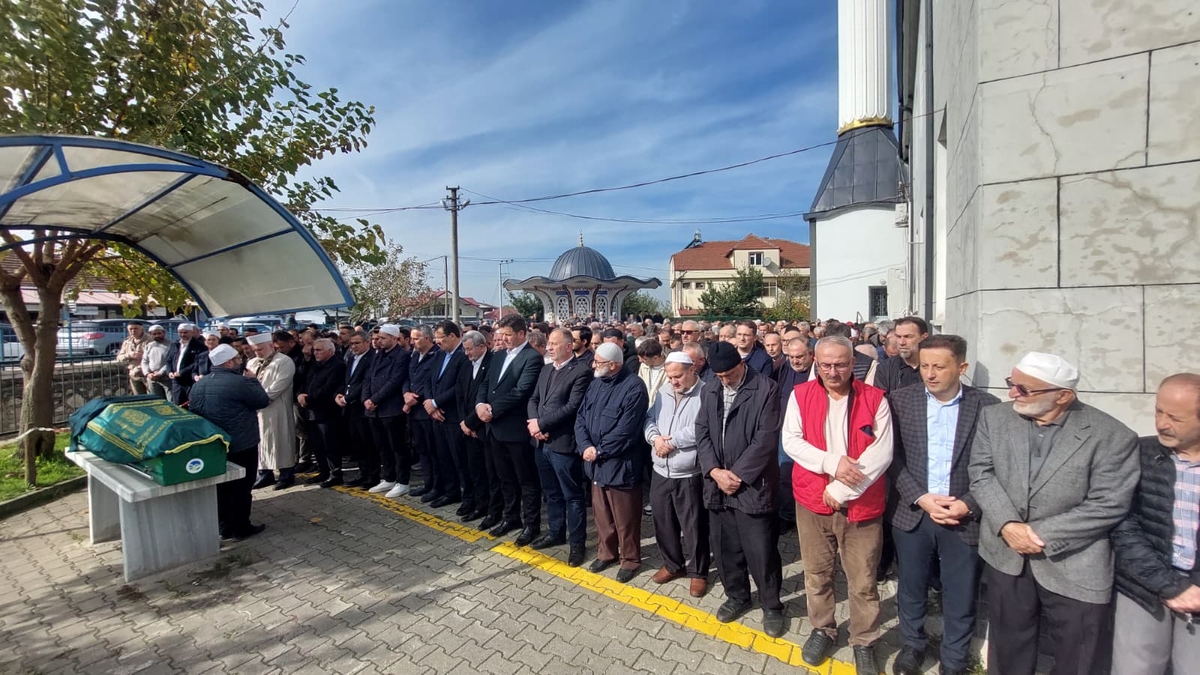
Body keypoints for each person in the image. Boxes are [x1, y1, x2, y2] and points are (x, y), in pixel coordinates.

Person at [968, 351, 1140, 675]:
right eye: (1011, 383)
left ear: (1063, 396)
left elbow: (1109, 503)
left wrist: (1039, 535)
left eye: (1024, 389)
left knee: (1077, 658)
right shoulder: (995, 418)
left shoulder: (1112, 436)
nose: (1012, 394)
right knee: (1008, 651)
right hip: (1006, 556)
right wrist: (1007, 524)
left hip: (1074, 563)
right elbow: (981, 473)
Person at [887, 335, 999, 675]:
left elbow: (997, 466)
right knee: (911, 585)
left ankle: (954, 659)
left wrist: (968, 505)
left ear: (962, 367)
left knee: (960, 593)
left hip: (962, 517)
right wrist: (919, 496)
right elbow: (891, 458)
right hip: (913, 512)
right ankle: (913, 645)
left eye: (939, 366)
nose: (930, 374)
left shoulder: (989, 408)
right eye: (924, 366)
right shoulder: (899, 401)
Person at [782, 336, 893, 672]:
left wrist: (843, 490)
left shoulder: (875, 399)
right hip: (812, 501)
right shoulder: (800, 395)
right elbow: (791, 441)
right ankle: (823, 627)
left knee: (862, 580)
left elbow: (881, 454)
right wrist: (832, 463)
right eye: (826, 364)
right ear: (816, 362)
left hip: (860, 505)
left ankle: (865, 638)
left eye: (841, 364)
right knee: (817, 573)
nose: (833, 371)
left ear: (852, 364)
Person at [1111, 373, 1200, 674]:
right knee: (1135, 668)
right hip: (1144, 588)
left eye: (1174, 417)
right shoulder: (1140, 452)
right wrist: (1169, 584)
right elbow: (1123, 524)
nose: (1162, 423)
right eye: (1158, 412)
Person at [697, 341, 786, 638]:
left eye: (729, 374)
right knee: (725, 548)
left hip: (752, 486)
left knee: (760, 551)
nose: (724, 380)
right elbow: (702, 432)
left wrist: (736, 475)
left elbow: (766, 439)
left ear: (741, 364)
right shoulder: (710, 387)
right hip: (718, 484)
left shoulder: (765, 388)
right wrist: (713, 471)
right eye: (719, 375)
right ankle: (737, 595)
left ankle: (771, 605)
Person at [576, 342, 649, 582]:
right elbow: (582, 417)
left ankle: (630, 559)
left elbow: (626, 431)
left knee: (625, 518)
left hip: (620, 465)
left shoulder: (634, 388)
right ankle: (606, 553)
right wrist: (586, 446)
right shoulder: (596, 383)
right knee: (602, 515)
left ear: (613, 365)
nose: (593, 365)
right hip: (595, 463)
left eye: (597, 362)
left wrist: (599, 450)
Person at [644, 351, 710, 597]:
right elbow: (649, 419)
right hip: (660, 469)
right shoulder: (663, 392)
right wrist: (654, 439)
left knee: (693, 525)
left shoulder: (706, 393)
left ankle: (698, 572)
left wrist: (671, 442)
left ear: (692, 369)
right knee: (663, 522)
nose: (674, 381)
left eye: (678, 376)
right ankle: (673, 564)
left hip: (688, 472)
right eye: (670, 377)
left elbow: (702, 428)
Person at [188, 344, 269, 540]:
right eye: (237, 359)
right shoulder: (240, 382)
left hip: (215, 444)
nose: (241, 361)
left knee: (221, 487)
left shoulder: (200, 384)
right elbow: (262, 401)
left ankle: (223, 527)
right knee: (242, 487)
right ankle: (241, 527)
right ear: (228, 362)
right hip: (242, 443)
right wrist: (254, 381)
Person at [474, 315, 544, 543]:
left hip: (515, 429)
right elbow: (486, 383)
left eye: (508, 334)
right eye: (501, 334)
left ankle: (531, 524)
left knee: (526, 479)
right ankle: (510, 516)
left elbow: (522, 391)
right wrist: (480, 405)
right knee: (504, 477)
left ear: (522, 333)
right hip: (495, 428)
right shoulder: (498, 355)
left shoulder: (531, 357)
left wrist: (492, 409)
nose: (503, 338)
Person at [527, 328, 592, 566]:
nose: (549, 347)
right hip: (541, 443)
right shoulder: (545, 369)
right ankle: (556, 533)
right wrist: (535, 425)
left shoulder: (582, 371)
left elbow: (573, 406)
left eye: (554, 344)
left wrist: (542, 424)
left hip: (563, 443)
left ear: (567, 346)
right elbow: (534, 399)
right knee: (551, 493)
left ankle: (577, 544)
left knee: (572, 496)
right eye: (548, 344)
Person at [425, 321, 470, 512]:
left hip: (452, 415)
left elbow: (459, 386)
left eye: (440, 338)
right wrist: (430, 403)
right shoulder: (439, 355)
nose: (437, 342)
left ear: (452, 336)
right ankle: (450, 491)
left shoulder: (464, 355)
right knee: (443, 456)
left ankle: (468, 496)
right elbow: (430, 380)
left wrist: (437, 403)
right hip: (437, 415)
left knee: (460, 460)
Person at [362, 324, 412, 498]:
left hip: (391, 408)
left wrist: (375, 399)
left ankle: (402, 481)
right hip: (374, 410)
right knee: (382, 446)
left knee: (397, 446)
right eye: (378, 338)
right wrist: (366, 399)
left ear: (394, 338)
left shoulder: (402, 356)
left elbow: (395, 381)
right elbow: (368, 377)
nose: (379, 341)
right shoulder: (378, 355)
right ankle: (388, 477)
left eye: (383, 338)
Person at [246, 332, 298, 491]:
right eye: (255, 350)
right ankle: (265, 474)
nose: (257, 353)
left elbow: (277, 387)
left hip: (277, 409)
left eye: (260, 349)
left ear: (271, 345)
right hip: (256, 410)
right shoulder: (252, 363)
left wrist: (258, 399)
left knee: (280, 441)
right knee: (261, 443)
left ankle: (286, 474)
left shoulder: (284, 361)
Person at [457, 330, 499, 525]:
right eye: (464, 349)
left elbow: (487, 397)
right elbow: (460, 394)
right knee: (474, 470)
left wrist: (472, 422)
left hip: (483, 428)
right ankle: (478, 503)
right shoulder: (466, 364)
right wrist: (464, 422)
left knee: (490, 472)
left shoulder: (493, 363)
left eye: (469, 349)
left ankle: (493, 509)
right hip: (467, 427)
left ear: (482, 346)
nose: (466, 353)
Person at [298, 338, 346, 487]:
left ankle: (335, 473)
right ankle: (323, 470)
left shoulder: (337, 365)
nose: (315, 353)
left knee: (330, 444)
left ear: (330, 351)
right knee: (316, 444)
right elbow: (304, 380)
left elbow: (328, 389)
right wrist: (300, 394)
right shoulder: (315, 365)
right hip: (311, 411)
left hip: (327, 412)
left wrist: (309, 398)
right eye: (314, 350)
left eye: (319, 350)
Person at [406, 326, 445, 504]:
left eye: (416, 338)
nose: (412, 342)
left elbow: (429, 380)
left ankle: (438, 486)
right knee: (422, 449)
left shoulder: (436, 355)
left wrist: (417, 397)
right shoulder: (414, 355)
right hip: (413, 409)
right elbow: (408, 377)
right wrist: (406, 393)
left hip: (427, 409)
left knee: (433, 450)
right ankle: (427, 483)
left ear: (427, 339)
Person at [336, 330, 376, 488]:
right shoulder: (352, 357)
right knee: (357, 444)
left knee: (368, 444)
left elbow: (363, 383)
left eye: (357, 343)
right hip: (350, 408)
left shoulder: (371, 358)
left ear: (367, 342)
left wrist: (348, 397)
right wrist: (339, 395)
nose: (353, 346)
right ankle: (363, 473)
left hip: (362, 406)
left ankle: (372, 476)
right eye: (352, 343)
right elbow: (348, 381)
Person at [164, 323, 205, 405]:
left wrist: (182, 372)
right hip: (176, 381)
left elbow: (196, 363)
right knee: (178, 404)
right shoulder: (175, 344)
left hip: (190, 380)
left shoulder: (199, 346)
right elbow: (169, 360)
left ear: (191, 332)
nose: (183, 335)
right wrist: (169, 372)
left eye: (185, 332)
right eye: (180, 332)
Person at [116, 322, 149, 394]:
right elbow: (119, 357)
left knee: (152, 396)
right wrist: (129, 355)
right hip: (133, 374)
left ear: (142, 329)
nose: (133, 331)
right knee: (139, 397)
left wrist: (138, 369)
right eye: (131, 329)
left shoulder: (149, 340)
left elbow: (153, 359)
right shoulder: (127, 342)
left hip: (146, 373)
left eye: (136, 328)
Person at [140, 324, 170, 399]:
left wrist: (160, 373)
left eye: (159, 333)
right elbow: (144, 361)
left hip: (167, 378)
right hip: (152, 378)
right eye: (154, 334)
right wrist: (147, 373)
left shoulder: (171, 345)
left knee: (171, 401)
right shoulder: (149, 345)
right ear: (150, 335)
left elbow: (171, 361)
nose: (157, 336)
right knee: (157, 401)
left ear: (164, 333)